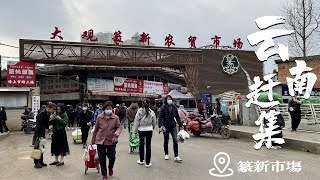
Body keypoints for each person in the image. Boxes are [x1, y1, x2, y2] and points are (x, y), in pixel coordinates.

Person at [92, 101, 122, 180]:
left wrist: (116, 133)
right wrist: (93, 140)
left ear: (112, 109)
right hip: (100, 140)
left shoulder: (115, 118)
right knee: (102, 158)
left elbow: (119, 127)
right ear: (104, 109)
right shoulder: (99, 117)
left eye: (110, 108)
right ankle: (104, 174)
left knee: (112, 157)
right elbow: (96, 129)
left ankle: (110, 167)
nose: (108, 110)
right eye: (107, 108)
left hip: (111, 140)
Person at [158, 95, 183, 163]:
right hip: (165, 127)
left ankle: (176, 156)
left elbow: (177, 117)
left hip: (173, 126)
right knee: (166, 140)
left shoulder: (174, 108)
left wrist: (181, 125)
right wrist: (160, 126)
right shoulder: (163, 108)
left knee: (175, 139)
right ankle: (166, 154)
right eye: (168, 99)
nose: (169, 100)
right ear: (166, 100)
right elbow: (160, 118)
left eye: (170, 99)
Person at [134, 98, 156, 168]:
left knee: (141, 145)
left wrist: (135, 130)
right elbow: (154, 121)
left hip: (141, 129)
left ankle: (141, 160)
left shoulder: (139, 111)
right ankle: (148, 163)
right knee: (148, 145)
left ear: (142, 103)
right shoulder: (151, 112)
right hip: (149, 129)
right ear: (149, 104)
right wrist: (152, 127)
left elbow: (136, 121)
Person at [34, 103, 57, 168]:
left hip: (43, 133)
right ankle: (36, 162)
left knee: (42, 148)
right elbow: (38, 125)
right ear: (48, 108)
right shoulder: (41, 114)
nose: (53, 111)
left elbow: (47, 123)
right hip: (38, 133)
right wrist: (45, 128)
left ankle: (41, 161)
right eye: (53, 109)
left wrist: (55, 120)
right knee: (37, 148)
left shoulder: (47, 114)